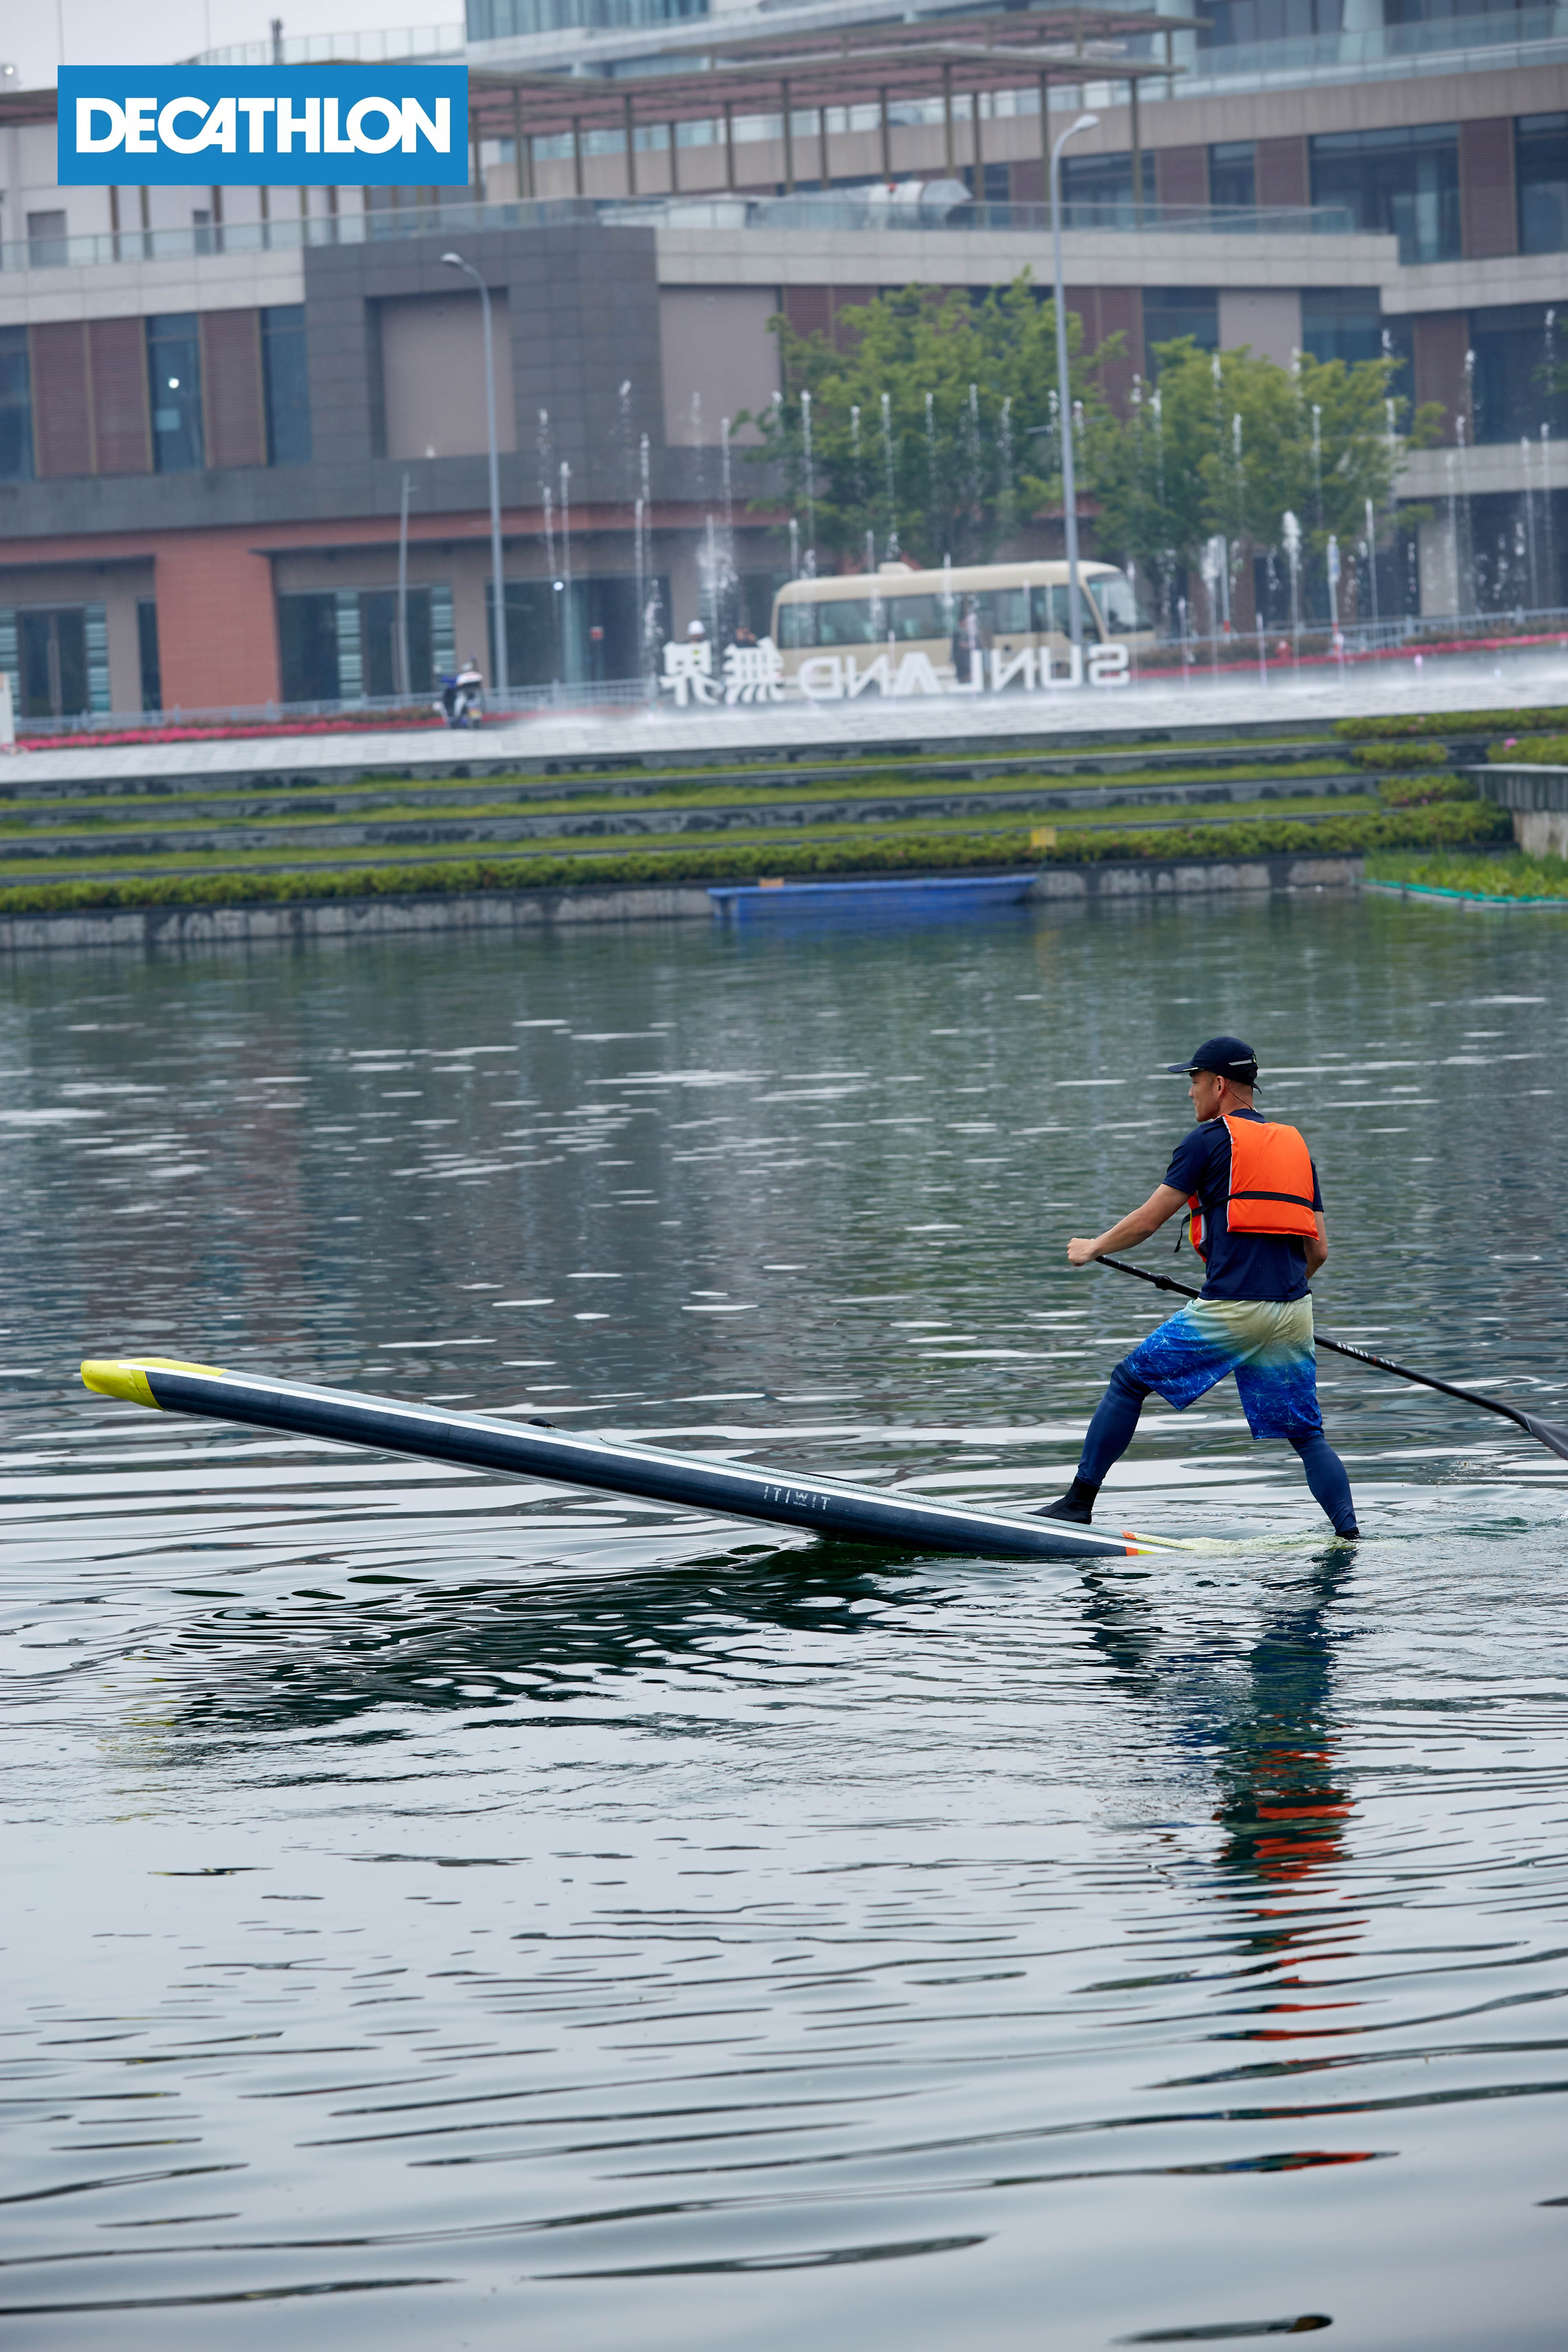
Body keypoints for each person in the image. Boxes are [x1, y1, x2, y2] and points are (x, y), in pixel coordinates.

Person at [1042, 1036, 1359, 1539]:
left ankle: (1078, 1504)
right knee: (1306, 1436)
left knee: (1129, 1382)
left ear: (1217, 1084)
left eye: (1192, 1081)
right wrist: (1275, 1307)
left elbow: (1148, 1222)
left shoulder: (1206, 1142)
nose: (1190, 1093)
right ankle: (1350, 1537)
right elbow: (1317, 1252)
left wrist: (1093, 1247)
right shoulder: (1297, 1148)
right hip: (1294, 1310)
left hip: (1232, 1310)